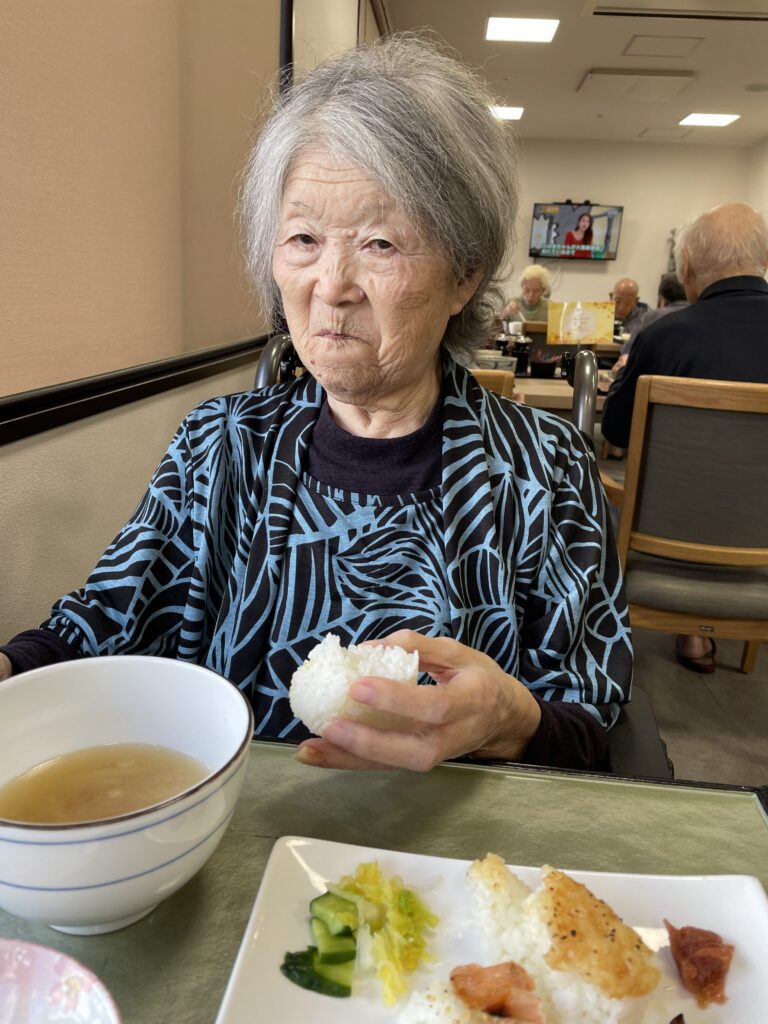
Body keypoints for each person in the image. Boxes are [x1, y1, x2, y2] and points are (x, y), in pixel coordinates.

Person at [0, 35, 632, 772]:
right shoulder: (218, 446)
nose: (331, 284)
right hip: (241, 827)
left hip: (459, 837)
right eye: (302, 237)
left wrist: (510, 722)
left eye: (380, 244)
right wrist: (12, 668)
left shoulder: (546, 469)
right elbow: (101, 620)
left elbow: (591, 719)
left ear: (465, 274)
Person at [601, 200, 768, 674]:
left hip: (665, 532)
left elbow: (614, 432)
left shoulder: (664, 337)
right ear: (764, 260)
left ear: (688, 267)